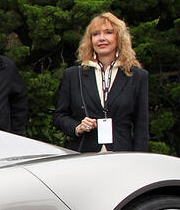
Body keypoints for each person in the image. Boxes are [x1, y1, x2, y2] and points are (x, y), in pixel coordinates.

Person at [53, 12, 149, 152]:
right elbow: (59, 116)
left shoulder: (137, 76)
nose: (101, 38)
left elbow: (141, 125)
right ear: (90, 40)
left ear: (119, 37)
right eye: (96, 34)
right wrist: (77, 127)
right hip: (84, 154)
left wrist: (139, 160)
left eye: (108, 32)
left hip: (122, 155)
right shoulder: (73, 75)